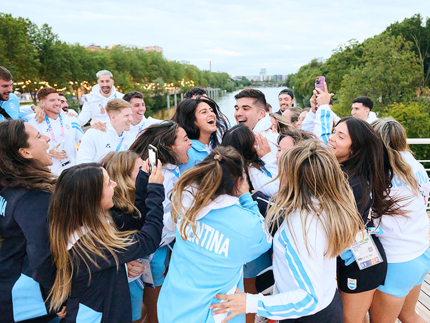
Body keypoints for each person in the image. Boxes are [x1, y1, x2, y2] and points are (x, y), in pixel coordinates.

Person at [211, 140, 362, 322]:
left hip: (307, 316)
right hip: (329, 304)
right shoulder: (325, 206)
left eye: (281, 171)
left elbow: (309, 299)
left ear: (294, 179)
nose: (277, 176)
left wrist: (250, 303)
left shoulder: (301, 226)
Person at [157, 146, 272, 323]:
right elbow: (265, 240)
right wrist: (247, 199)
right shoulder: (246, 225)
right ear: (238, 181)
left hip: (172, 310)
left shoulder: (185, 203)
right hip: (213, 316)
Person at [47, 162, 164, 322]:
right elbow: (149, 240)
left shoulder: (87, 222)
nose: (114, 184)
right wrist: (155, 190)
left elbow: (137, 225)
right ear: (92, 197)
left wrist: (143, 180)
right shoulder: (88, 244)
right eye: (108, 183)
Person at [328, 117, 398, 323]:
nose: (331, 138)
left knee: (350, 320)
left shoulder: (354, 183)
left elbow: (337, 227)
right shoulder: (345, 173)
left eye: (340, 136)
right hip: (356, 257)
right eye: (334, 131)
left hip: (361, 264)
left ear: (355, 148)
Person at [0, 119, 65, 322]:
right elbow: (42, 254)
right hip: (28, 300)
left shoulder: (8, 186)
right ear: (25, 152)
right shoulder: (34, 196)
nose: (46, 138)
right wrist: (58, 296)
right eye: (38, 136)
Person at [129, 121, 192, 323]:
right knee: (146, 302)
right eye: (185, 139)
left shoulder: (173, 169)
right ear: (170, 146)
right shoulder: (158, 175)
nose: (190, 143)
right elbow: (153, 214)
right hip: (148, 249)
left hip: (162, 246)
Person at [369, 118, 430, 323]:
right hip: (420, 252)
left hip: (397, 261)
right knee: (409, 315)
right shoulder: (417, 166)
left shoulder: (380, 174)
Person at [101, 151, 158, 323]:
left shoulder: (131, 203)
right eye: (141, 168)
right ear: (124, 177)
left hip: (134, 278)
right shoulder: (115, 214)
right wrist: (122, 261)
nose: (147, 171)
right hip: (121, 286)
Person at [28, 88, 84, 175]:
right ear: (42, 103)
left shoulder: (71, 119)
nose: (57, 103)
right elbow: (30, 151)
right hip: (49, 176)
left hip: (73, 173)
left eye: (58, 100)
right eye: (52, 100)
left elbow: (83, 143)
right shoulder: (33, 123)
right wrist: (49, 152)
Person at [172, 96, 229, 172]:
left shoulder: (218, 143)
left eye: (211, 111)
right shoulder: (188, 151)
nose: (212, 114)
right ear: (192, 120)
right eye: (204, 112)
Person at [222, 124, 278, 198]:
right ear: (248, 146)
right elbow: (277, 189)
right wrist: (268, 157)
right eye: (254, 137)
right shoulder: (251, 172)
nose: (258, 137)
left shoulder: (255, 162)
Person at [77, 98, 135, 163]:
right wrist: (102, 172)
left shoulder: (132, 135)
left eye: (131, 115)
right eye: (126, 115)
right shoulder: (93, 134)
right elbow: (82, 162)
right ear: (113, 117)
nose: (131, 119)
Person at [234, 89, 278, 156]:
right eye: (237, 109)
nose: (238, 113)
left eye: (245, 109)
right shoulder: (236, 134)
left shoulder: (269, 142)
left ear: (261, 114)